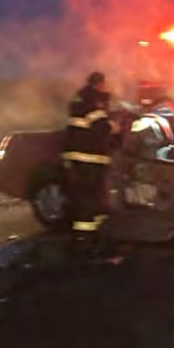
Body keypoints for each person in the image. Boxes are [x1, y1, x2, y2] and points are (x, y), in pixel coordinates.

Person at [62, 72, 119, 233]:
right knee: (88, 197)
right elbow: (101, 127)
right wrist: (113, 127)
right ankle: (84, 239)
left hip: (83, 157)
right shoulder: (92, 101)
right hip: (88, 158)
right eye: (105, 84)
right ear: (99, 84)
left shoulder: (84, 98)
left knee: (92, 196)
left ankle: (95, 232)